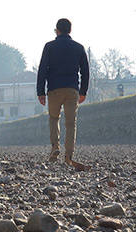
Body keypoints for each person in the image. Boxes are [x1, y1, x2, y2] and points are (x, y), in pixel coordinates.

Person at [37, 18, 89, 166]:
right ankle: (69, 156)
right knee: (71, 123)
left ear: (57, 30)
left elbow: (42, 69)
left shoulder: (49, 47)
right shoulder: (79, 48)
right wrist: (83, 91)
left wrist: (40, 91)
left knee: (54, 118)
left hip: (54, 89)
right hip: (72, 89)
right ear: (70, 30)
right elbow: (85, 71)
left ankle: (55, 146)